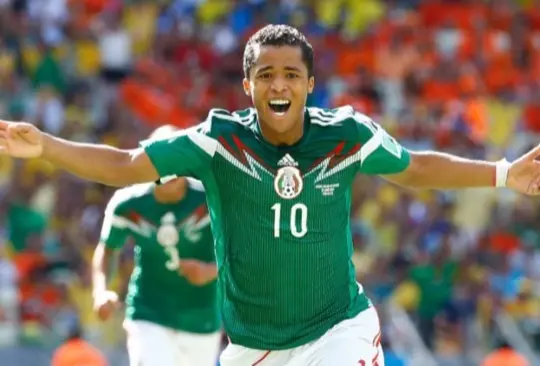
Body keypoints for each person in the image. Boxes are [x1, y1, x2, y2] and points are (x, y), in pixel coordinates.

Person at [1, 24, 540, 365]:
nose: (278, 85)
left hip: (337, 329)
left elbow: (416, 168)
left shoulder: (347, 135)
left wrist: (502, 174)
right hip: (254, 346)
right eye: (265, 75)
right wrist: (46, 145)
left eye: (290, 75)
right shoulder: (218, 141)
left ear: (309, 85)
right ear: (248, 87)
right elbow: (125, 165)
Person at [92, 125, 221, 366]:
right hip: (148, 313)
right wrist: (101, 290)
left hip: (201, 319)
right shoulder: (128, 204)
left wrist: (210, 271)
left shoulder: (212, 197)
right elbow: (108, 249)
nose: (168, 169)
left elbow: (243, 248)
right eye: (160, 161)